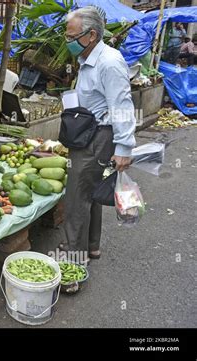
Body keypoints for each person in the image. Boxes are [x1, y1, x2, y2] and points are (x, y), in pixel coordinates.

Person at [60, 7, 136, 263]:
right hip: (87, 133)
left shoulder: (109, 62)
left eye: (72, 37)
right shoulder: (87, 59)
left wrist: (124, 148)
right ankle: (91, 246)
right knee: (91, 192)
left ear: (91, 35)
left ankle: (73, 263)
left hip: (97, 138)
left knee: (76, 199)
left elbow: (122, 106)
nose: (67, 42)